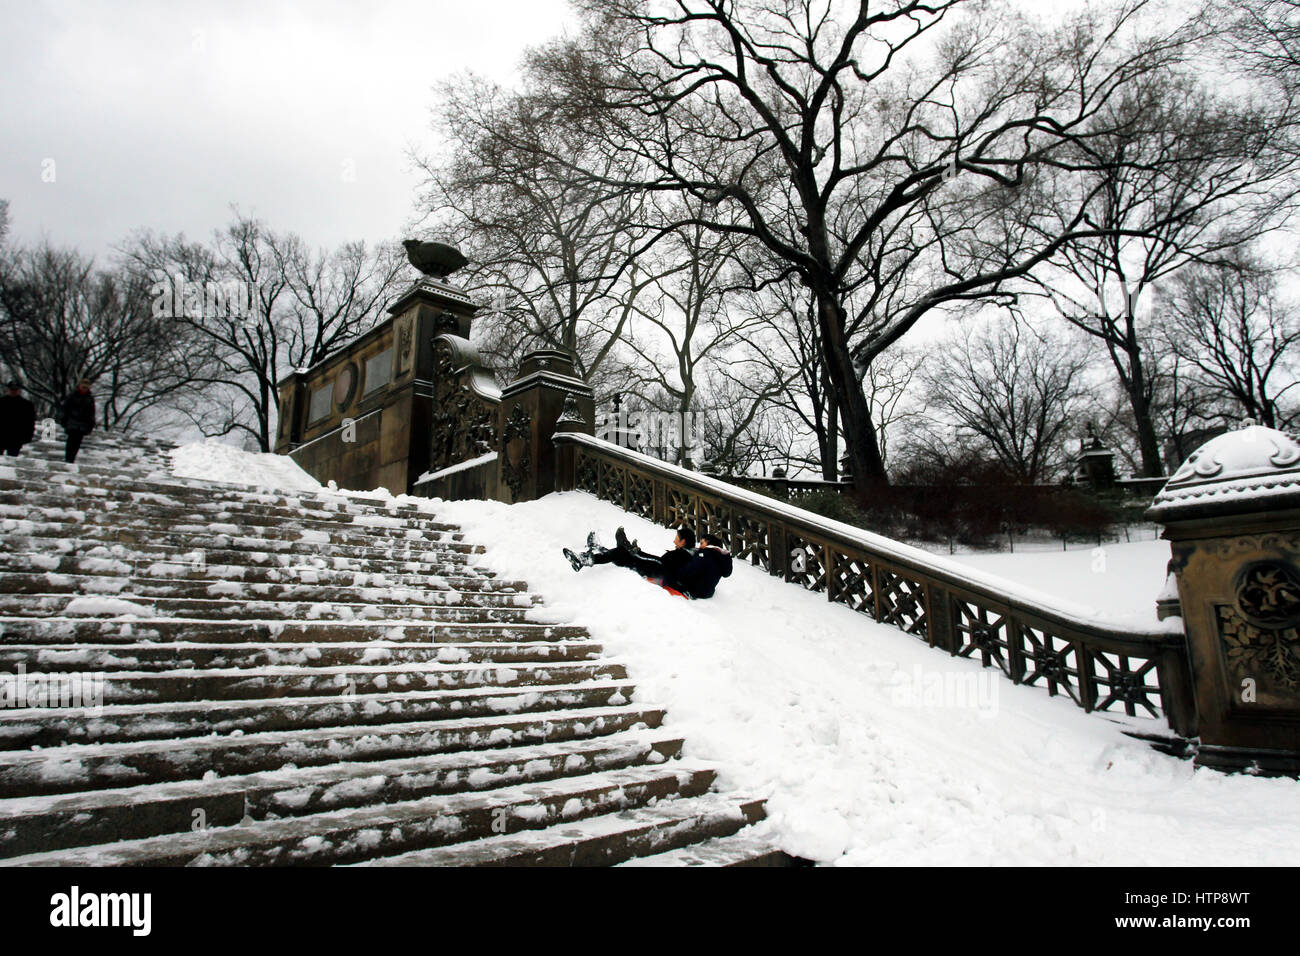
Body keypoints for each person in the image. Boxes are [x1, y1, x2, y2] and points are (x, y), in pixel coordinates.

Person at [61, 379, 95, 463]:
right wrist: (64, 419)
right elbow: (65, 408)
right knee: (71, 441)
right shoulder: (72, 396)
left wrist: (91, 424)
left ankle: (71, 459)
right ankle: (68, 459)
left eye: (86, 386)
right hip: (72, 422)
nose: (84, 387)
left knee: (77, 442)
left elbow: (91, 413)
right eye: (83, 385)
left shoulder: (90, 398)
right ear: (79, 385)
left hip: (82, 424)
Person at [0, 380, 36, 456]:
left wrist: (28, 436)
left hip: (16, 437)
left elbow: (30, 422)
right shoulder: (1, 402)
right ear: (7, 389)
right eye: (12, 389)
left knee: (12, 460)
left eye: (16, 389)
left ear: (19, 390)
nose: (13, 391)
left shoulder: (26, 405)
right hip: (1, 435)